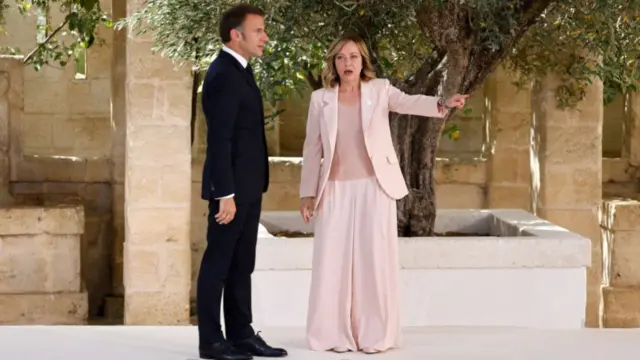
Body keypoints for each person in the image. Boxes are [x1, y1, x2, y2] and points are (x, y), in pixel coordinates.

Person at [299, 33, 468, 354]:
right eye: (340, 58)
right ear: (333, 63)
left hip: (375, 188)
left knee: (373, 262)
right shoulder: (321, 98)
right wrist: (308, 193)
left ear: (363, 61)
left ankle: (375, 335)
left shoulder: (379, 90)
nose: (347, 63)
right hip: (333, 190)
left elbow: (408, 101)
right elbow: (312, 148)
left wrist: (442, 104)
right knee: (330, 263)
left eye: (353, 57)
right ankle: (331, 335)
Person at [197, 4, 288, 360]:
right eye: (259, 31)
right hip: (231, 192)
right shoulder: (222, 74)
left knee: (240, 264)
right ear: (237, 35)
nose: (265, 37)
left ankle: (240, 334)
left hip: (249, 187)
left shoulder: (241, 70)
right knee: (218, 265)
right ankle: (211, 342)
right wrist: (226, 194)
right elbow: (219, 140)